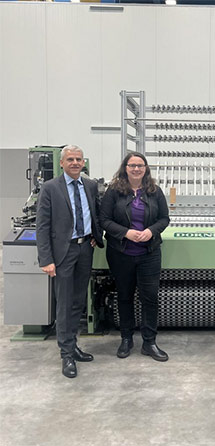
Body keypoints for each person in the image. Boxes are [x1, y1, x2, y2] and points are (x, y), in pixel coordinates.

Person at [36, 145, 103, 379]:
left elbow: (96, 213)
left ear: (83, 162)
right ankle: (65, 354)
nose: (75, 163)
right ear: (62, 163)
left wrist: (96, 235)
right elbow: (42, 226)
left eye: (78, 159)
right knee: (64, 303)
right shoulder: (50, 188)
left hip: (85, 249)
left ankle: (73, 344)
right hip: (62, 253)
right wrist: (46, 259)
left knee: (77, 302)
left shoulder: (91, 185)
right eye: (70, 159)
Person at [100, 152, 170, 361]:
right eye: (132, 165)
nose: (136, 169)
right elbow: (104, 219)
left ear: (146, 168)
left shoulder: (154, 191)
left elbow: (164, 218)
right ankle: (126, 339)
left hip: (149, 253)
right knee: (124, 296)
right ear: (125, 168)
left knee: (150, 298)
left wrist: (151, 231)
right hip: (121, 253)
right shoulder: (114, 192)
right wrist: (125, 233)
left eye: (140, 165)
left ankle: (149, 342)